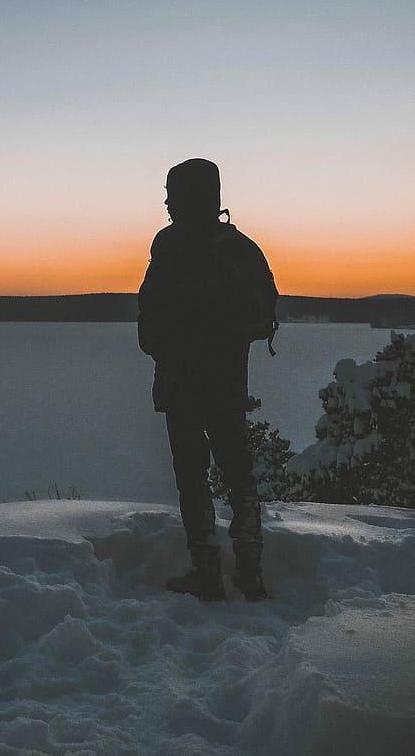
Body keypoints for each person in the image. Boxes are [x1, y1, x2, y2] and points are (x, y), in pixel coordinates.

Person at [137, 158, 277, 602]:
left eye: (170, 193)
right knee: (240, 477)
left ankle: (207, 574)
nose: (165, 201)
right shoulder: (240, 247)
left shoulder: (170, 245)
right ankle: (249, 574)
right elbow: (264, 316)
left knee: (192, 479)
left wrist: (172, 347)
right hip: (229, 385)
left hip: (181, 386)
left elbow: (149, 324)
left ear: (185, 196)